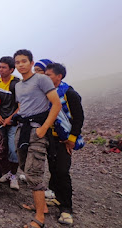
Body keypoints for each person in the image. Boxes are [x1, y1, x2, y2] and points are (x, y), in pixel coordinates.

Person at [13, 49, 62, 228]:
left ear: (32, 63)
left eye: (24, 61)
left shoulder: (42, 79)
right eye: (17, 62)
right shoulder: (18, 85)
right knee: (25, 168)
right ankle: (40, 205)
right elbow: (22, 106)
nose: (21, 64)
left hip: (37, 131)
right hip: (23, 130)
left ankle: (40, 217)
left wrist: (43, 129)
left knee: (34, 172)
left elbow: (56, 104)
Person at [45, 63, 84, 226]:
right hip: (50, 138)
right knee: (53, 168)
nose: (46, 78)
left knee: (62, 171)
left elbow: (79, 118)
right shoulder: (47, 93)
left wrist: (72, 138)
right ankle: (56, 198)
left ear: (59, 76)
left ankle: (66, 208)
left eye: (49, 75)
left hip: (64, 139)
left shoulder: (69, 94)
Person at [0, 56, 20, 190]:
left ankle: (14, 175)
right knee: (1, 147)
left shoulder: (17, 84)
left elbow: (21, 105)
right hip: (0, 121)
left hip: (13, 122)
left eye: (4, 67)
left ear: (11, 69)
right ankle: (6, 172)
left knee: (13, 149)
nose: (0, 70)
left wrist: (11, 118)